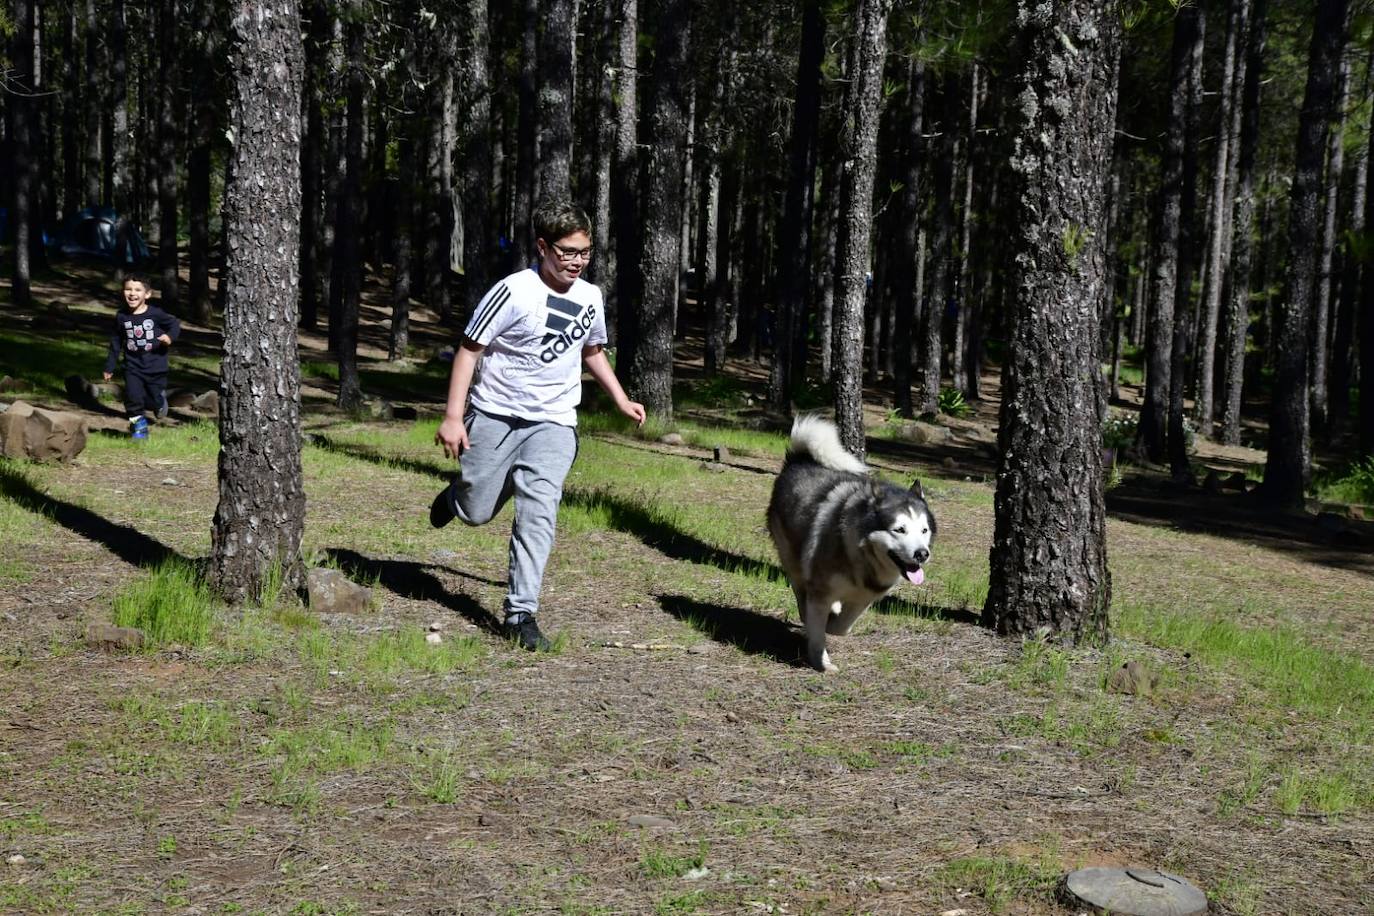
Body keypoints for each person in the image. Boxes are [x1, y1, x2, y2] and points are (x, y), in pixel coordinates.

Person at [429, 200, 646, 651]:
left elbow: (591, 351)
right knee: (477, 510)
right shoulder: (512, 292)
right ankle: (457, 497)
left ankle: (520, 613)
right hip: (495, 415)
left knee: (539, 510)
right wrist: (453, 417)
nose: (576, 261)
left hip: (554, 422)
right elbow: (469, 350)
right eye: (567, 251)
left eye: (584, 252)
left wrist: (621, 399)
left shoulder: (590, 296)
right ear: (543, 247)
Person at [102, 271, 180, 439]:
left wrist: (169, 337)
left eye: (138, 290)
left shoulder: (156, 314)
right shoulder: (121, 316)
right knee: (133, 397)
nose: (132, 293)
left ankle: (159, 402)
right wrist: (109, 366)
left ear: (148, 294)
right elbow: (116, 342)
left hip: (156, 366)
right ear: (123, 292)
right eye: (128, 289)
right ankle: (139, 429)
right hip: (132, 366)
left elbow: (174, 324)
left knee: (151, 400)